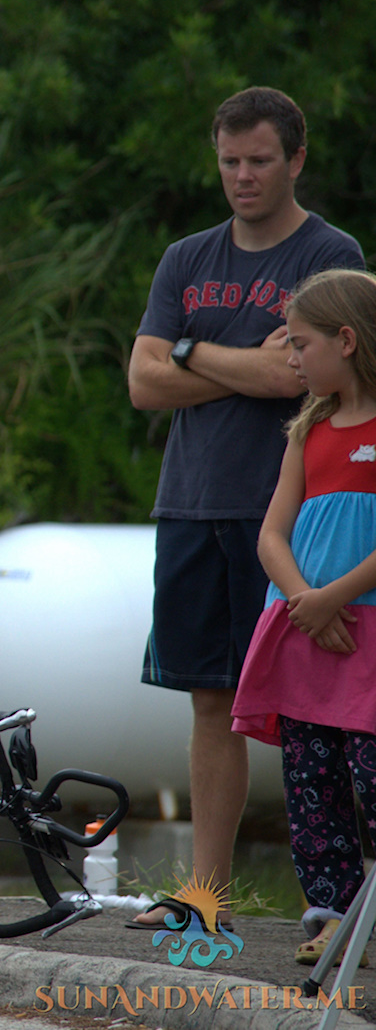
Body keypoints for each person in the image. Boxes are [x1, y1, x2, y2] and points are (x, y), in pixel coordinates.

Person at [127, 86, 364, 927]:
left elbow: (291, 376)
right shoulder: (185, 259)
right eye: (230, 161)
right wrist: (228, 359)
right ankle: (205, 896)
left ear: (295, 159)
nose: (243, 176)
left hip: (295, 518)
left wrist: (188, 351)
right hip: (190, 503)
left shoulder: (330, 256)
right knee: (207, 700)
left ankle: (334, 904)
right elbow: (141, 381)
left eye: (260, 160)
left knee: (319, 711)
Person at [231, 269, 376, 964]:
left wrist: (334, 597)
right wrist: (305, 602)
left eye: (301, 344)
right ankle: (332, 916)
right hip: (307, 631)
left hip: (359, 626)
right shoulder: (309, 425)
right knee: (312, 783)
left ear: (346, 340)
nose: (292, 359)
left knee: (371, 777)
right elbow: (272, 534)